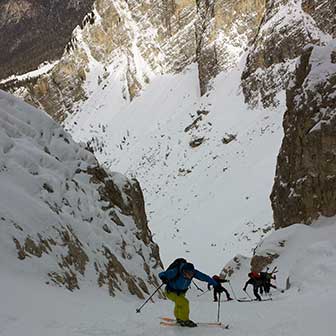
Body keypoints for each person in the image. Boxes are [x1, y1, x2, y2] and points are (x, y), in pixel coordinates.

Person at [159, 260, 221, 327]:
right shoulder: (175, 271)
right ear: (183, 271)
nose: (190, 275)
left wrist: (215, 284)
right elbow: (162, 274)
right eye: (188, 273)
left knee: (179, 304)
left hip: (181, 293)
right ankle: (185, 320)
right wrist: (164, 278)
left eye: (191, 273)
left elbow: (204, 277)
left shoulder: (193, 273)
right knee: (184, 302)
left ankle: (179, 318)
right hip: (170, 292)